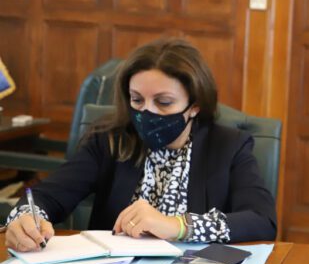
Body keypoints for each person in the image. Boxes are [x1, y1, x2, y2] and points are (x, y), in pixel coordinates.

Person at [4, 38, 276, 252]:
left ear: (195, 105)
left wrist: (177, 226)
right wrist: (26, 217)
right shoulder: (109, 140)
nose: (147, 112)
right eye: (137, 99)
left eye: (163, 102)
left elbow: (261, 220)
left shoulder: (229, 146)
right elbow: (48, 195)